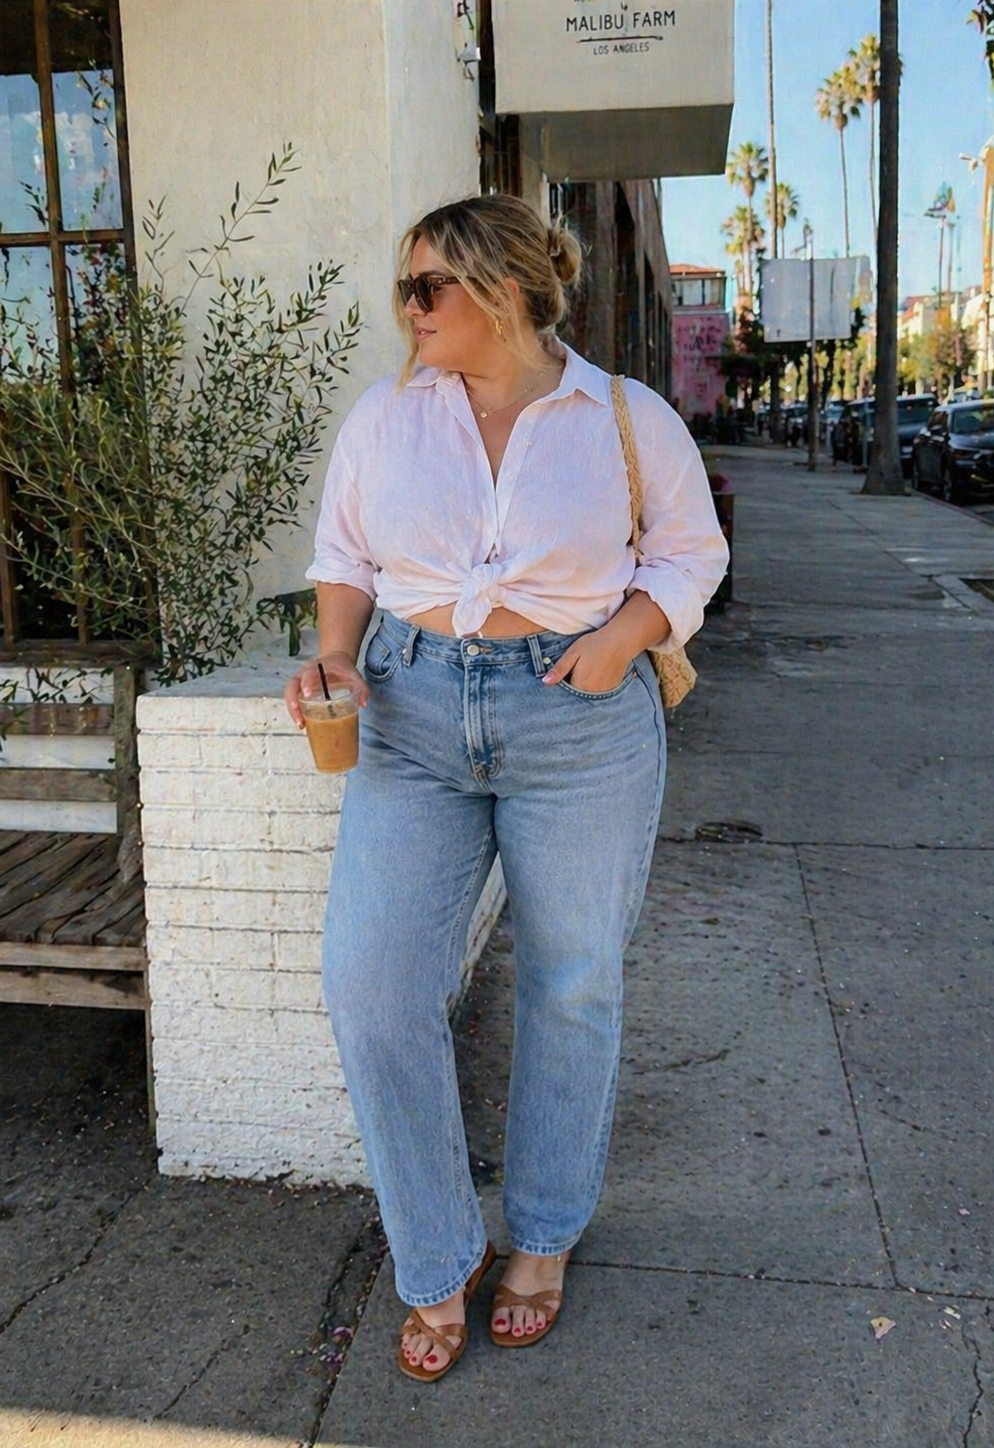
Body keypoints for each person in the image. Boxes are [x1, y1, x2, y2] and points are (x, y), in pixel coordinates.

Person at [284, 194, 728, 1383]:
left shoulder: (624, 417)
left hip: (577, 717)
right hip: (411, 711)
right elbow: (346, 558)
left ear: (506, 289)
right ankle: (437, 1255)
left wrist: (625, 636)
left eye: (428, 286)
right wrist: (336, 656)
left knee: (572, 981)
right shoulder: (387, 419)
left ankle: (542, 1235)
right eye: (406, 286)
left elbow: (690, 553)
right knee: (372, 982)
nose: (409, 309)